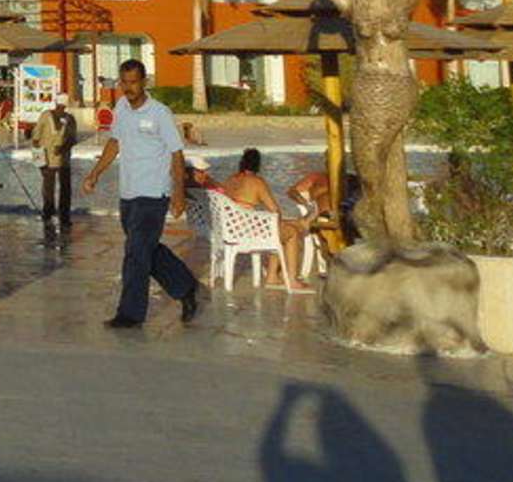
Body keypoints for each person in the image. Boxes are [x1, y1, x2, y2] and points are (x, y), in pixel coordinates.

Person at [81, 59, 201, 328]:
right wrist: (95, 173)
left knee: (135, 252)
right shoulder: (121, 108)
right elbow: (115, 142)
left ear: (144, 82)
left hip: (153, 194)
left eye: (134, 82)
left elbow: (177, 154)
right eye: (124, 82)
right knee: (146, 249)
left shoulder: (160, 113)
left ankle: (130, 314)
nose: (128, 88)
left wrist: (178, 193)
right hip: (128, 194)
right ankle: (185, 286)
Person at [220, 147, 311, 291]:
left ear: (242, 162)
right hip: (246, 231)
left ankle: (272, 276)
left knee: (283, 226)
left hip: (231, 229)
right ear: (258, 165)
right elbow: (275, 210)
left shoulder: (230, 180)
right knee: (291, 232)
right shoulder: (256, 182)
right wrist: (288, 223)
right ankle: (291, 279)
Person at [31, 95, 80, 238]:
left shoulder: (70, 119)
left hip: (63, 160)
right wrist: (39, 158)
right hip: (48, 160)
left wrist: (63, 148)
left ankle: (63, 216)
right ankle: (49, 214)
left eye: (62, 107)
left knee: (64, 189)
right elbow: (36, 139)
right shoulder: (46, 116)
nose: (61, 109)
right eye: (60, 106)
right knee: (49, 188)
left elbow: (72, 139)